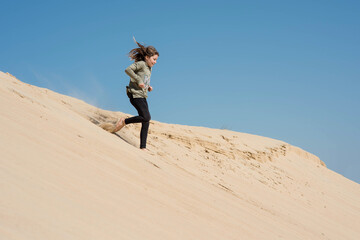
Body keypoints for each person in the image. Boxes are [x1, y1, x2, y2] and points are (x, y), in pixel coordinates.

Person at [113, 38, 159, 150]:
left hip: (142, 96)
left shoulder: (149, 68)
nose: (155, 62)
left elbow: (144, 81)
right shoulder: (141, 64)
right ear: (147, 57)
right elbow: (128, 70)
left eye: (156, 60)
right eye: (154, 59)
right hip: (134, 94)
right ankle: (124, 121)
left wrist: (148, 87)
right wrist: (138, 80)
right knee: (146, 116)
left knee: (146, 120)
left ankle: (143, 147)